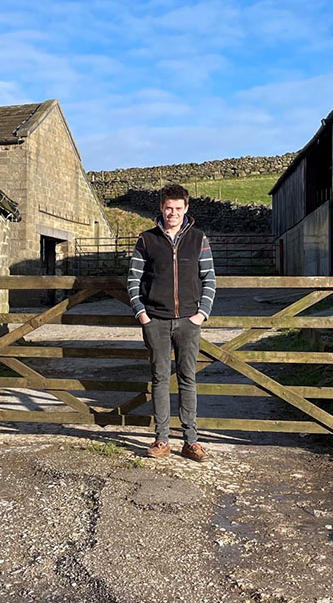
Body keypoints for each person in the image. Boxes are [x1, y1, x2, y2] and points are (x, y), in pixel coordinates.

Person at [126, 184, 216, 462]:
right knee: (160, 379)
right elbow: (133, 280)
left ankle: (191, 441)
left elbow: (209, 279)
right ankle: (162, 439)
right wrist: (142, 312)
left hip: (189, 321)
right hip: (156, 321)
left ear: (186, 208)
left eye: (178, 208)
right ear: (161, 208)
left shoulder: (199, 238)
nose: (172, 213)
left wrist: (202, 313)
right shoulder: (147, 239)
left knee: (188, 379)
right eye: (168, 208)